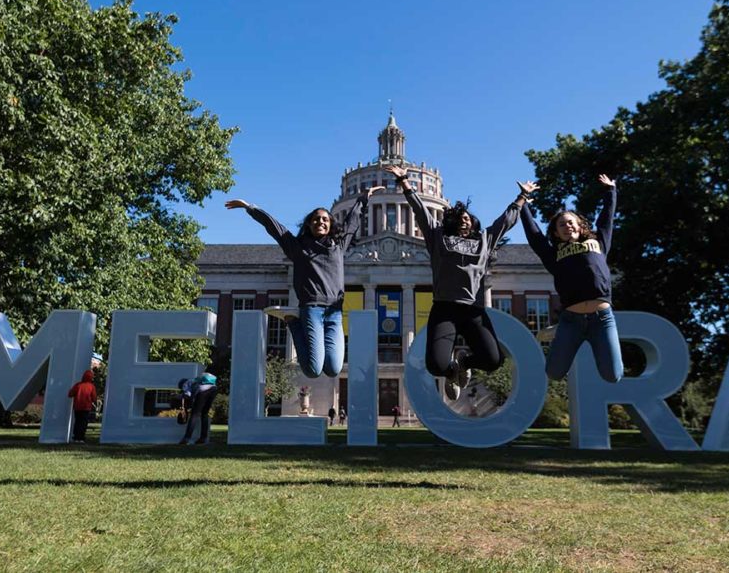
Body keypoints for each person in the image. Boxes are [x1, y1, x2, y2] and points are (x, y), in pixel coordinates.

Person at [383, 164, 530, 400]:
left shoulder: (484, 241)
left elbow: (505, 222)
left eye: (468, 218)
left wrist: (522, 197)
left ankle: (464, 362)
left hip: (473, 310)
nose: (465, 221)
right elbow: (420, 211)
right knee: (436, 365)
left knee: (493, 360)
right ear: (451, 221)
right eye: (460, 218)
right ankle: (452, 371)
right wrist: (404, 183)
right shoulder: (438, 238)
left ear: (473, 223)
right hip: (445, 308)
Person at [225, 186, 383, 378]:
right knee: (313, 370)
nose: (321, 222)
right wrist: (250, 208)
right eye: (316, 219)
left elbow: (352, 221)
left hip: (334, 313)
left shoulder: (339, 246)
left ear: (330, 225)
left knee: (333, 369)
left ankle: (295, 322)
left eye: (325, 219)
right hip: (312, 309)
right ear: (309, 224)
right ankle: (293, 322)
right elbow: (276, 228)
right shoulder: (297, 248)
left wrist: (364, 198)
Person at [519, 175, 624, 383]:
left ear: (580, 226)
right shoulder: (553, 254)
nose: (567, 227)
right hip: (571, 321)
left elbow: (606, 219)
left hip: (601, 319)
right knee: (554, 373)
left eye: (571, 223)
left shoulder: (598, 242)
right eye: (562, 225)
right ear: (557, 233)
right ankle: (560, 332)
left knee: (613, 375)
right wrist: (523, 200)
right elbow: (534, 235)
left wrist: (611, 190)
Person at [180, 372, 217, 445]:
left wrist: (182, 397)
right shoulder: (195, 380)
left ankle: (186, 438)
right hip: (213, 388)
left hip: (203, 390)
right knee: (204, 414)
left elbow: (187, 395)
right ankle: (203, 438)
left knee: (194, 415)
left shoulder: (185, 384)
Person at [67, 369, 97, 443]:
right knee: (83, 422)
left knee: (77, 421)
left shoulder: (78, 385)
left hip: (77, 407)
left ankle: (76, 437)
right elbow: (94, 397)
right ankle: (81, 437)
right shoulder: (91, 386)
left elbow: (70, 394)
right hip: (86, 407)